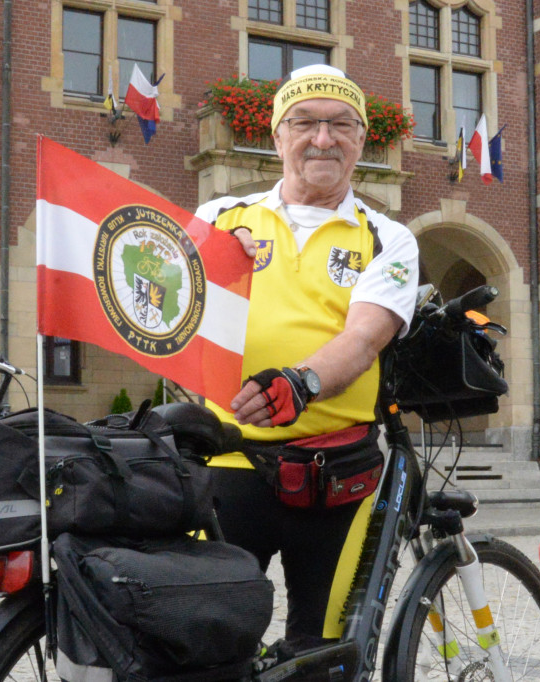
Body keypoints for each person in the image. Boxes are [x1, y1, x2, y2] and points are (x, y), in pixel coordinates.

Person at [194, 64, 419, 653]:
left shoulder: (387, 237)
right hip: (227, 466)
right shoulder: (220, 217)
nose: (323, 138)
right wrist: (213, 265)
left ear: (362, 139)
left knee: (321, 652)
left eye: (342, 124)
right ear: (277, 137)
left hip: (332, 477)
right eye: (305, 123)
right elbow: (162, 312)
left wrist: (301, 382)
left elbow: (365, 337)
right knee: (205, 641)